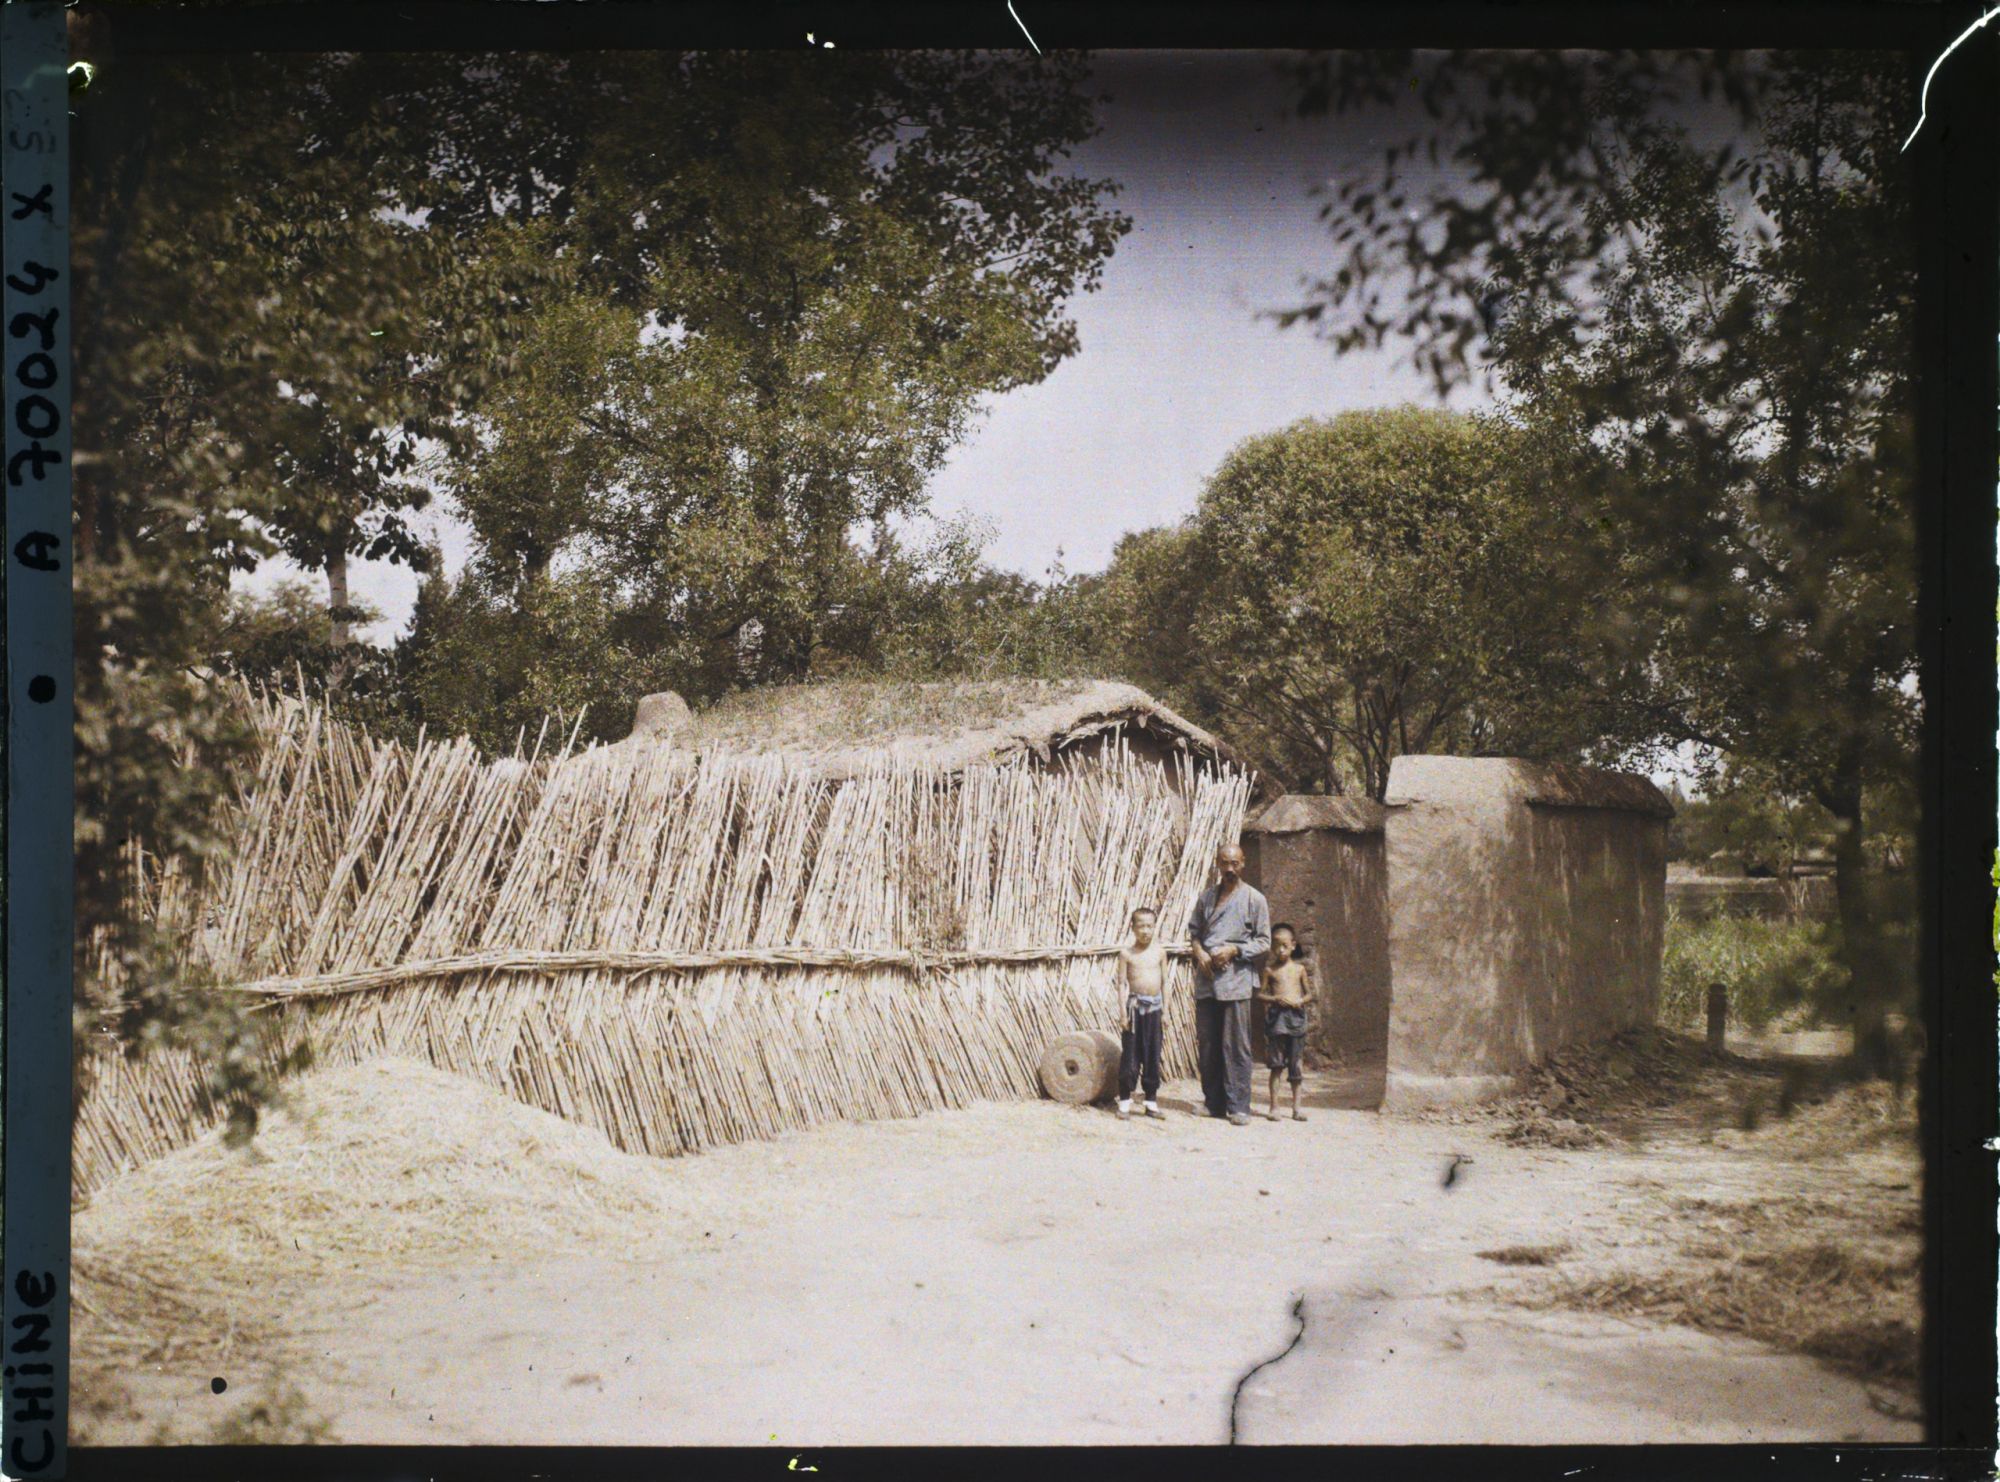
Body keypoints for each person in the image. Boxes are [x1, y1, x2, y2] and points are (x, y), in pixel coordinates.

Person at [1187, 843, 1270, 1126]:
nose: (1230, 869)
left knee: (1236, 1045)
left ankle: (1239, 1106)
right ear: (1217, 865)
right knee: (1208, 1043)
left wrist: (1234, 951)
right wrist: (1199, 953)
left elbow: (1264, 941)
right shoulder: (1207, 898)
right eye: (1225, 863)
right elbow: (1194, 933)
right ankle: (1213, 1102)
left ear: (1243, 863)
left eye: (1235, 863)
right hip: (1208, 980)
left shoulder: (1254, 899)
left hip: (1236, 979)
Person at [1114, 907, 1168, 1120]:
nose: (1146, 930)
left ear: (1155, 927)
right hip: (1135, 1009)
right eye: (1141, 926)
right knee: (1131, 1056)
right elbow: (1120, 984)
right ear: (1133, 928)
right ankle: (1125, 1102)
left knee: (1152, 1055)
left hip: (1155, 1009)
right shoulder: (1126, 954)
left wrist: (1166, 1011)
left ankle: (1151, 1101)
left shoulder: (1160, 952)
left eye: (1150, 926)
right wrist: (1122, 1014)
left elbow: (1165, 982)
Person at [1257, 924, 1312, 1122]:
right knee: (1276, 1065)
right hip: (1277, 1020)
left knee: (1296, 1065)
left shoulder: (1299, 969)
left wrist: (1299, 1001)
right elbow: (1260, 994)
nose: (1280, 950)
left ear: (1293, 945)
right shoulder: (1270, 971)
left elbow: (1309, 994)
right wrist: (1275, 1000)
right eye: (1276, 946)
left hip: (1296, 1019)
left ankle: (1297, 1108)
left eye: (1285, 946)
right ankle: (1274, 1107)